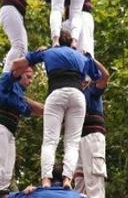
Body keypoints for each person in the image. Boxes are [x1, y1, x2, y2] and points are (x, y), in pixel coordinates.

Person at [13, 39, 102, 187]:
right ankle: (67, 179)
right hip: (77, 95)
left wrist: (38, 52)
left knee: (50, 141)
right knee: (72, 143)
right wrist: (86, 58)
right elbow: (98, 76)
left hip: (57, 93)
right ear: (71, 43)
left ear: (57, 42)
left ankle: (46, 179)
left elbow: (18, 64)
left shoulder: (49, 51)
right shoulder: (81, 56)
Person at [0, 65, 43, 198]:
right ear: (20, 74)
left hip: (8, 132)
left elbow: (36, 109)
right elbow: (15, 67)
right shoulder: (7, 84)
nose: (30, 81)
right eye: (28, 77)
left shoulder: (19, 96)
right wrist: (34, 57)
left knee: (7, 173)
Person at [75, 57, 109, 198]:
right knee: (79, 184)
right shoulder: (75, 95)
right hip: (79, 140)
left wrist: (93, 61)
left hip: (93, 137)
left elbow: (105, 76)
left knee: (94, 184)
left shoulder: (92, 89)